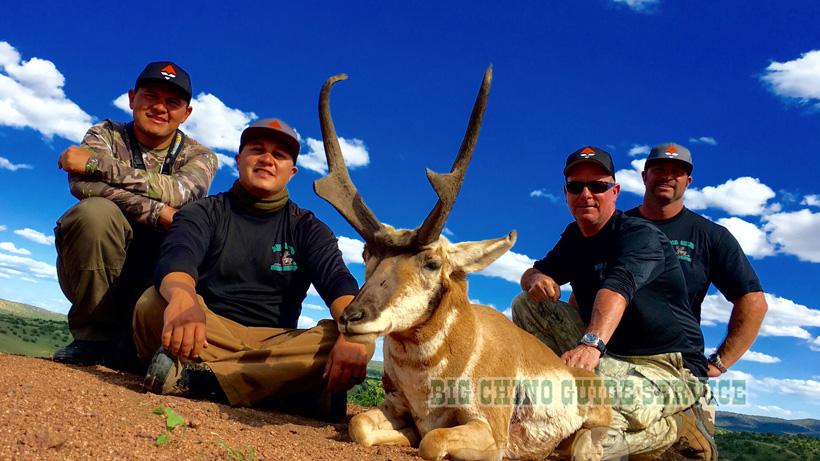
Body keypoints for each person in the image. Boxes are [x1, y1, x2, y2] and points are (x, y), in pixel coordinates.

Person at [134, 118, 373, 422]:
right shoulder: (203, 212)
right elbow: (177, 259)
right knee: (153, 304)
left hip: (275, 342)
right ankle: (290, 391)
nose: (267, 159)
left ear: (292, 171)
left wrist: (353, 336)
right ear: (239, 159)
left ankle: (200, 381)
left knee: (337, 334)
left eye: (279, 155)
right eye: (257, 149)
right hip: (207, 332)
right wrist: (183, 297)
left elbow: (340, 284)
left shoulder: (309, 228)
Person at [512, 146, 714, 459]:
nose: (586, 194)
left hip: (667, 365)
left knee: (582, 437)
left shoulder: (640, 235)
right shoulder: (574, 237)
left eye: (598, 186)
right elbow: (535, 270)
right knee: (527, 304)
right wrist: (535, 279)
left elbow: (618, 285)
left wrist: (590, 344)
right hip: (610, 356)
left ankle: (677, 427)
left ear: (615, 191)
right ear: (566, 193)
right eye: (577, 186)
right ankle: (551, 392)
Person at [54, 61, 217, 367]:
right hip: (99, 265)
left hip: (159, 273)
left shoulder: (201, 156)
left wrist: (96, 164)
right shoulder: (105, 133)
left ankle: (155, 344)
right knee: (93, 214)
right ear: (132, 99)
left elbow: (180, 192)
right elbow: (81, 185)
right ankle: (92, 338)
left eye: (172, 102)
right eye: (150, 96)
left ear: (186, 113)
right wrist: (157, 212)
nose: (160, 108)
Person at [625, 143, 767, 378]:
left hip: (671, 363)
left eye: (677, 172)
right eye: (659, 169)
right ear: (644, 176)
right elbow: (585, 287)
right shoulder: (616, 227)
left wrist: (720, 363)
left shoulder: (711, 236)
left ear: (688, 181)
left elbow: (754, 302)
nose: (667, 177)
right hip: (605, 353)